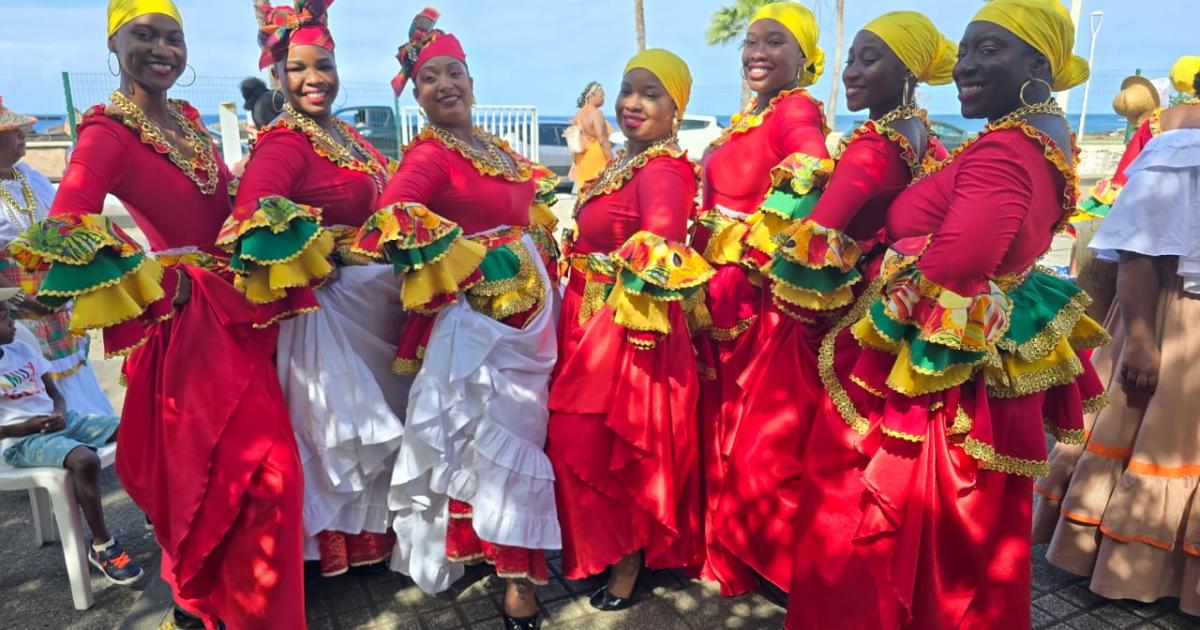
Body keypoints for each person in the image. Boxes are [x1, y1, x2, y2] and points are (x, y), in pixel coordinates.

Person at [785, 1, 1106, 627]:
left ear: (1038, 66)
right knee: (967, 535)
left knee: (886, 523)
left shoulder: (1004, 150)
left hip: (935, 376)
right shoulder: (1040, 134)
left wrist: (886, 270)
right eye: (964, 52)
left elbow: (958, 265)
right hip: (971, 353)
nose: (966, 67)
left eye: (989, 50)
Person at [13, 1, 314, 626]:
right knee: (258, 477)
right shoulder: (106, 131)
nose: (162, 49)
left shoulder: (188, 119)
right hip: (192, 333)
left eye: (173, 38)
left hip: (241, 313)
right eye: (143, 35)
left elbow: (219, 203)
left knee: (248, 479)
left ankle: (205, 606)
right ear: (113, 45)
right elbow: (70, 221)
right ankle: (213, 605)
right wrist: (160, 282)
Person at [714, 10, 955, 596]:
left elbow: (820, 233)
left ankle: (785, 569)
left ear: (908, 72)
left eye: (869, 60)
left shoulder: (873, 142)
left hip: (829, 315)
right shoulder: (920, 132)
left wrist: (787, 305)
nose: (851, 72)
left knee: (775, 444)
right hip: (873, 302)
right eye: (851, 59)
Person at [352, 10, 561, 629]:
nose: (445, 85)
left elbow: (524, 206)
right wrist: (467, 256)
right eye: (429, 78)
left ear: (471, 80)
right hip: (480, 327)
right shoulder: (429, 155)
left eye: (454, 73)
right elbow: (390, 217)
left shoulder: (492, 147)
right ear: (417, 96)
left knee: (514, 435)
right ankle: (518, 581)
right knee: (505, 438)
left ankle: (486, 547)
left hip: (533, 319)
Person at [224, 0, 403, 580]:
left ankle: (377, 540)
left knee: (375, 424)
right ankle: (338, 550)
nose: (313, 79)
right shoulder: (284, 142)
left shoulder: (343, 134)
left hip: (374, 309)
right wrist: (321, 249)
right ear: (277, 76)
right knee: (340, 434)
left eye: (323, 65)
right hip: (328, 314)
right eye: (297, 68)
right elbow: (251, 217)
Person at [548, 48, 713, 612]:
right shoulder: (627, 160)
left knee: (608, 443)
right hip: (584, 316)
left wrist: (625, 334)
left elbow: (660, 250)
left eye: (651, 94)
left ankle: (626, 563)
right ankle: (599, 549)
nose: (632, 103)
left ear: (675, 109)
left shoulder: (663, 169)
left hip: (623, 328)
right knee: (584, 443)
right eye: (627, 90)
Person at [1032, 67, 1200, 617]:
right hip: (1178, 321)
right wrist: (1144, 341)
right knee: (1157, 438)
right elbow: (1137, 251)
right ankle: (1137, 565)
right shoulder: (1181, 141)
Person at [690, 1, 832, 595]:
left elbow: (813, 168)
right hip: (720, 292)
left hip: (753, 300)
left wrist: (757, 240)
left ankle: (753, 554)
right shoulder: (756, 113)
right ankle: (724, 543)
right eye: (751, 41)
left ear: (803, 57)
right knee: (721, 419)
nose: (757, 52)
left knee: (747, 426)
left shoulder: (794, 109)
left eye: (775, 42)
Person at [0, 297, 143, 585]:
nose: (13, 322)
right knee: (85, 460)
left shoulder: (22, 349)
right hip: (22, 441)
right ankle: (102, 545)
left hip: (61, 421)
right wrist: (24, 427)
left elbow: (56, 394)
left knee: (136, 429)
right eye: (4, 317)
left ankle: (153, 507)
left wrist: (60, 413)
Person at [0, 99, 113, 416]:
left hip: (54, 297)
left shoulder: (30, 178)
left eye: (19, 129)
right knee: (35, 368)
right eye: (11, 131)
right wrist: (23, 300)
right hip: (16, 306)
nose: (21, 134)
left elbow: (62, 226)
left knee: (73, 366)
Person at [569, 81, 613, 189]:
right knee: (602, 192)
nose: (604, 98)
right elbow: (603, 141)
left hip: (582, 160)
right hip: (597, 159)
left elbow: (574, 144)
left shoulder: (577, 116)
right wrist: (612, 161)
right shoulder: (596, 113)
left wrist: (574, 163)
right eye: (601, 95)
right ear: (592, 96)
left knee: (587, 194)